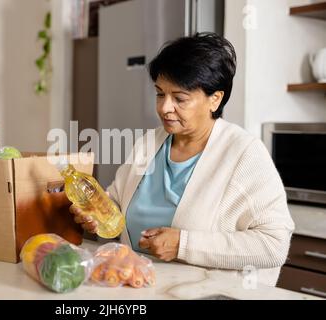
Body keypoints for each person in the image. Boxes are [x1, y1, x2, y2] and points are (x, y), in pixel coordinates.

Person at [70, 32, 294, 286]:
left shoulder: (244, 154)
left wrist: (184, 245)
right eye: (159, 94)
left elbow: (274, 244)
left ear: (215, 99)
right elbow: (117, 202)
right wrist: (96, 213)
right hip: (137, 287)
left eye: (180, 99)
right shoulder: (149, 143)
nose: (164, 108)